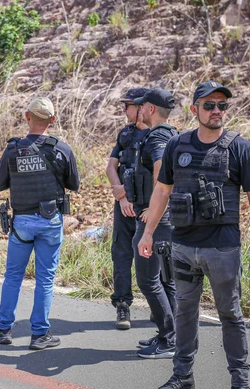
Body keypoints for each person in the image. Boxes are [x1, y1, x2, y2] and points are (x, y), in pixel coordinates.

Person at [138, 81, 250, 389]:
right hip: (183, 247)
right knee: (185, 313)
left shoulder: (240, 148)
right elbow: (162, 190)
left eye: (222, 105)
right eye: (209, 105)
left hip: (223, 249)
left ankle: (240, 381)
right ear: (194, 109)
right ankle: (183, 376)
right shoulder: (176, 145)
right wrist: (148, 233)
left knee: (230, 315)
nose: (216, 111)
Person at [0, 96, 80, 350]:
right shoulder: (62, 149)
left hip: (22, 223)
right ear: (52, 120)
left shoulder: (13, 149)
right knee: (45, 279)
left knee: (13, 276)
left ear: (27, 117)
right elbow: (74, 184)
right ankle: (39, 334)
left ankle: (3, 328)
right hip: (50, 222)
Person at [124, 87, 178, 358]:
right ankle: (170, 336)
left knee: (149, 281)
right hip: (166, 219)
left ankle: (168, 341)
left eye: (142, 105)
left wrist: (152, 215)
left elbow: (161, 174)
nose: (139, 109)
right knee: (165, 280)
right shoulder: (173, 134)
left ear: (151, 109)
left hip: (155, 219)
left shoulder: (157, 137)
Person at [105, 87, 150, 330]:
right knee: (121, 255)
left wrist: (153, 208)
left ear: (142, 107)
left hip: (150, 209)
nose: (125, 110)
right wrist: (120, 195)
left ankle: (160, 306)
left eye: (128, 106)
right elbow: (111, 167)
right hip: (124, 207)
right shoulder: (125, 134)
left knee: (158, 256)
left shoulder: (160, 135)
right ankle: (123, 305)